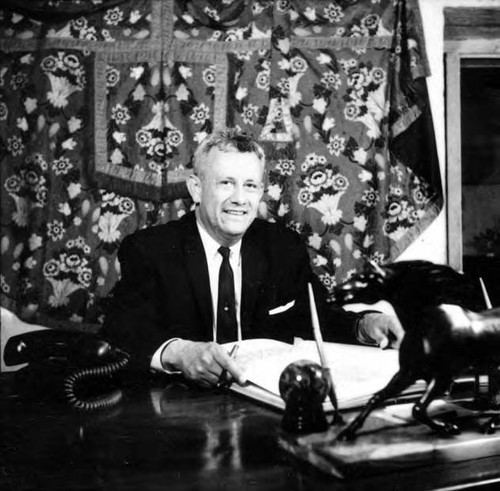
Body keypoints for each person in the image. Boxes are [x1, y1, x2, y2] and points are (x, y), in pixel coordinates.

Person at [102, 129, 403, 387]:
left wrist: (364, 325)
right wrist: (179, 353)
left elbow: (315, 314)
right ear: (196, 188)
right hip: (178, 405)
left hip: (263, 403)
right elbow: (121, 329)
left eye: (250, 186)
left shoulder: (283, 246)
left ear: (261, 192)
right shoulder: (150, 249)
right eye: (225, 183)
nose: (239, 199)